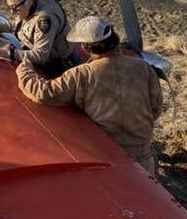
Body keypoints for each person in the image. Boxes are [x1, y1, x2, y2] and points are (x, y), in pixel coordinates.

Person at [16, 16, 163, 174]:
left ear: (86, 48)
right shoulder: (143, 67)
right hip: (143, 156)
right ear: (114, 38)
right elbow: (156, 107)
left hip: (107, 156)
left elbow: (43, 93)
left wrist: (24, 69)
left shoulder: (82, 74)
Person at [0, 0, 74, 78]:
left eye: (14, 7)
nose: (12, 12)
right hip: (41, 56)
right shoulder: (30, 6)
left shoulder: (45, 19)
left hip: (57, 68)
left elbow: (40, 56)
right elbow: (17, 25)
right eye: (10, 7)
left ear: (28, 1)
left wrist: (10, 53)